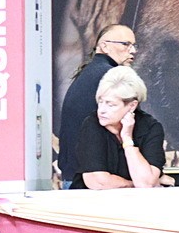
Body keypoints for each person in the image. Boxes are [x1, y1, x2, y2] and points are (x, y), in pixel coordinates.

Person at [58, 24, 138, 187]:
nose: (133, 50)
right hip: (96, 183)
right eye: (126, 44)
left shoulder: (89, 73)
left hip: (77, 178)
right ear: (104, 46)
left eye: (134, 45)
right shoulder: (111, 77)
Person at [69, 66, 166, 190]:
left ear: (132, 106)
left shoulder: (150, 128)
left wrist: (127, 139)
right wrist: (133, 184)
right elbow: (98, 182)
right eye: (100, 102)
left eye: (111, 105)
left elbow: (146, 183)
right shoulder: (92, 124)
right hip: (92, 200)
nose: (102, 110)